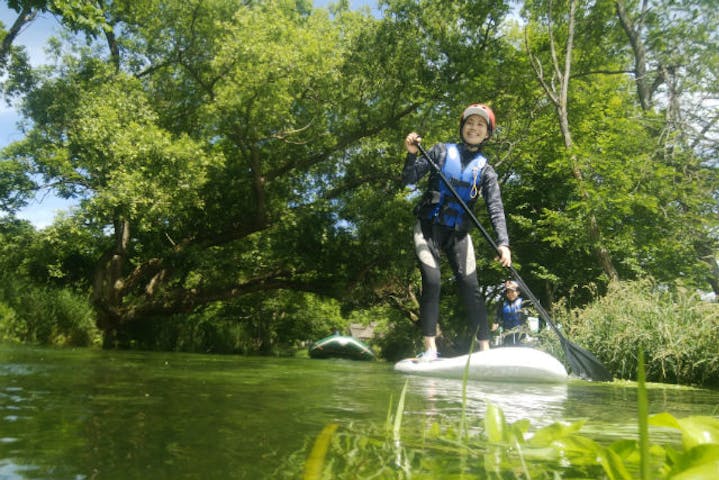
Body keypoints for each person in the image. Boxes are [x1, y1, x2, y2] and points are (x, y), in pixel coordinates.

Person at [402, 103, 511, 361]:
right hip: (428, 228)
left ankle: (485, 351)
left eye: (480, 125)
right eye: (470, 123)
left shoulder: (486, 171)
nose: (474, 128)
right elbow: (408, 179)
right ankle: (430, 349)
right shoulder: (439, 152)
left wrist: (503, 243)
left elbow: (496, 208)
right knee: (433, 281)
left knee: (471, 287)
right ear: (462, 127)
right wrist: (411, 154)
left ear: (487, 134)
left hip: (458, 235)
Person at [495, 280, 527, 345]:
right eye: (508, 292)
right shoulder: (503, 303)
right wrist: (496, 322)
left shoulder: (524, 303)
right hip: (507, 331)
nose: (510, 294)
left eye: (512, 292)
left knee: (520, 346)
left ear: (518, 292)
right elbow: (498, 315)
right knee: (507, 346)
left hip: (520, 332)